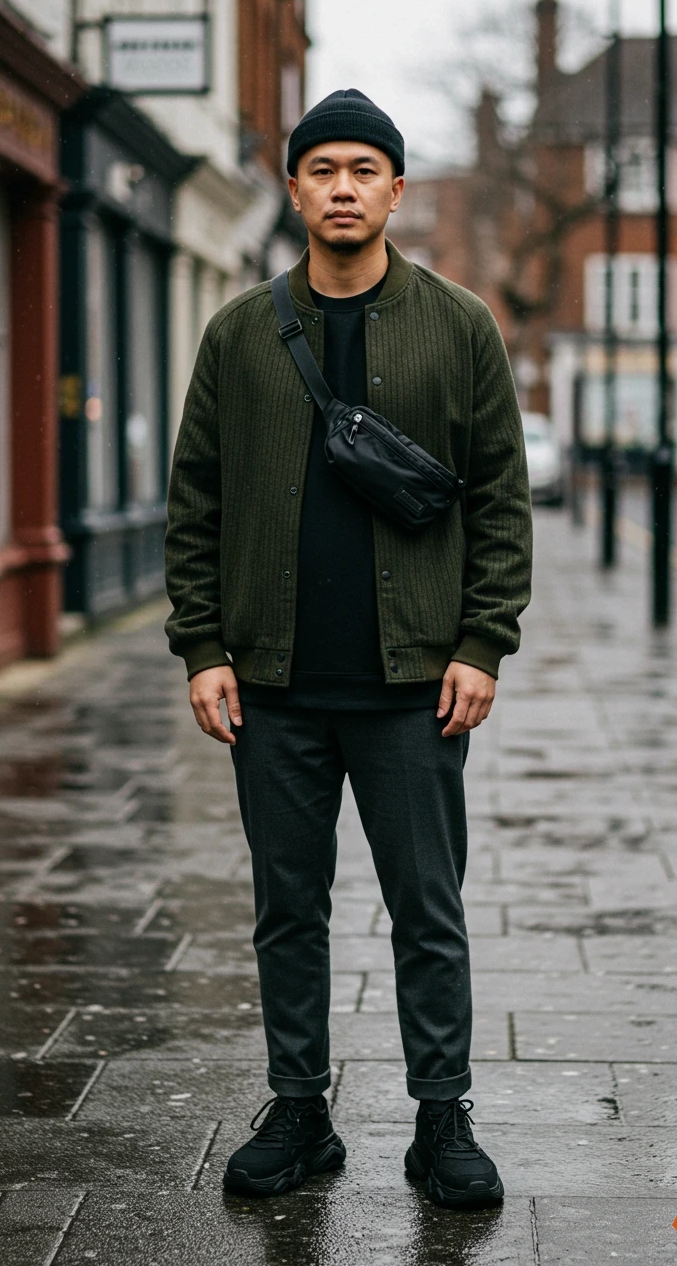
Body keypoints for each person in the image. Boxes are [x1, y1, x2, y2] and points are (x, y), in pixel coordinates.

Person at [164, 88, 532, 1210]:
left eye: (363, 170)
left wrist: (482, 641)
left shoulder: (459, 324)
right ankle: (299, 1112)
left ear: (395, 191)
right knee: (288, 909)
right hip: (271, 686)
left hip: (414, 686)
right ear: (291, 190)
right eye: (321, 169)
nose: (342, 188)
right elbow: (195, 500)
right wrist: (202, 646)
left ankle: (441, 1119)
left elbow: (500, 499)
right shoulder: (239, 331)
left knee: (428, 907)